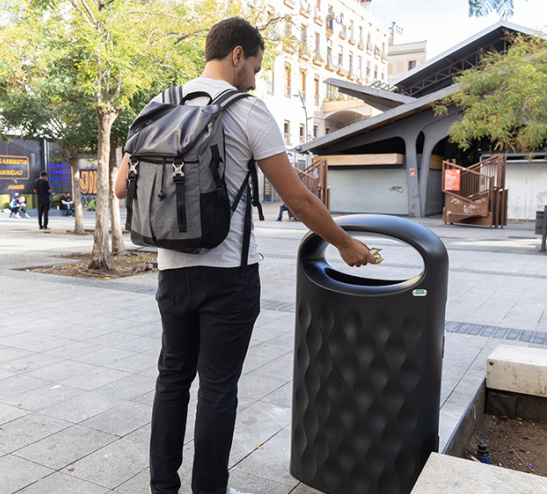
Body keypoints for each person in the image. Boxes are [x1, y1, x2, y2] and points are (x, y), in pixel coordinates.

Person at [115, 18, 374, 494]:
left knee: (172, 380)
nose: (253, 80)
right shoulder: (247, 110)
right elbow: (297, 199)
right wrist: (344, 242)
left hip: (171, 273)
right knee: (217, 388)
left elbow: (119, 187)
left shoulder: (159, 104)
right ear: (237, 54)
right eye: (254, 67)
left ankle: (162, 487)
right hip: (228, 276)